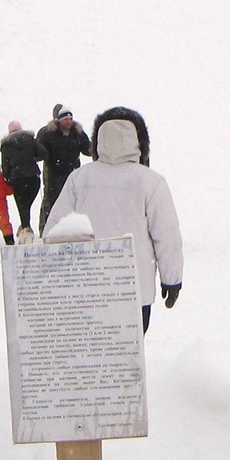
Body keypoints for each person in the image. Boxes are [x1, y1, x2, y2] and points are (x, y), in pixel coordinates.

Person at [48, 107, 183, 332]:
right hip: (134, 288)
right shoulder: (151, 182)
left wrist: (52, 278)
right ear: (140, 142)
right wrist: (172, 280)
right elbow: (167, 236)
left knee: (90, 353)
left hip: (86, 287)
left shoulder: (79, 178)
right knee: (129, 350)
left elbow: (55, 232)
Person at [37, 105, 94, 231]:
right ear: (59, 120)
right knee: (51, 199)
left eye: (70, 119)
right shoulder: (48, 133)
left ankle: (71, 228)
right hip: (53, 172)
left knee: (74, 199)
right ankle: (46, 228)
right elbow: (40, 151)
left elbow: (87, 148)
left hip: (72, 172)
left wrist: (96, 150)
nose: (69, 121)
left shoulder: (77, 132)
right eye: (66, 119)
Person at [0, 120, 42, 233]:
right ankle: (25, 226)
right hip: (33, 177)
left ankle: (26, 228)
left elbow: (5, 165)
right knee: (26, 205)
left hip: (17, 178)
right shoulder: (30, 140)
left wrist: (8, 178)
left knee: (22, 205)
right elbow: (43, 153)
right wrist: (32, 159)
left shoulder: (6, 145)